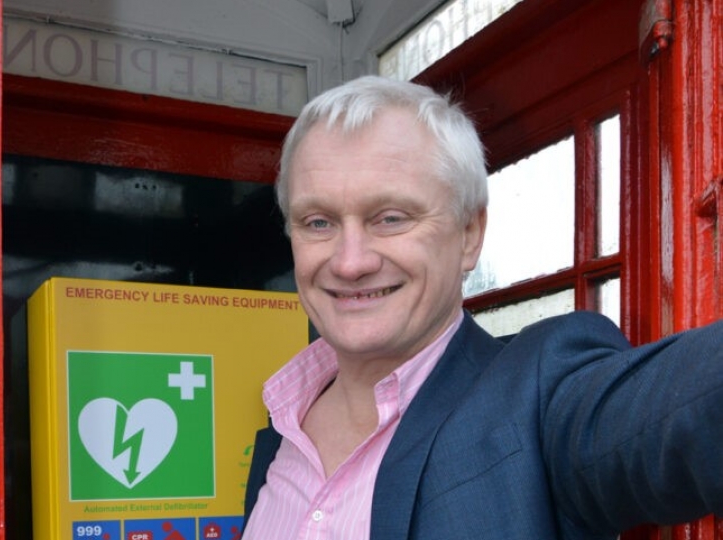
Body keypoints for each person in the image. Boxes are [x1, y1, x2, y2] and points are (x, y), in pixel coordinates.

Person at [241, 75, 723, 540]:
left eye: (390, 218)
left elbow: (690, 408)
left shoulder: (538, 400)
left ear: (469, 235)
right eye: (318, 222)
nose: (350, 262)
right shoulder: (280, 427)